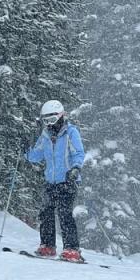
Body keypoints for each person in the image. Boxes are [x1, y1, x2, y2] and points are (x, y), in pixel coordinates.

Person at [25, 99, 86, 262]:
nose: (49, 124)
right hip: (51, 181)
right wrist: (26, 146)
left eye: (51, 120)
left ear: (60, 116)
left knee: (65, 213)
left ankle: (72, 249)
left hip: (68, 179)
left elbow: (78, 153)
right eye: (45, 121)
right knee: (46, 212)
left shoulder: (70, 132)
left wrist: (75, 168)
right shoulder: (45, 135)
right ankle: (47, 246)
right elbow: (35, 156)